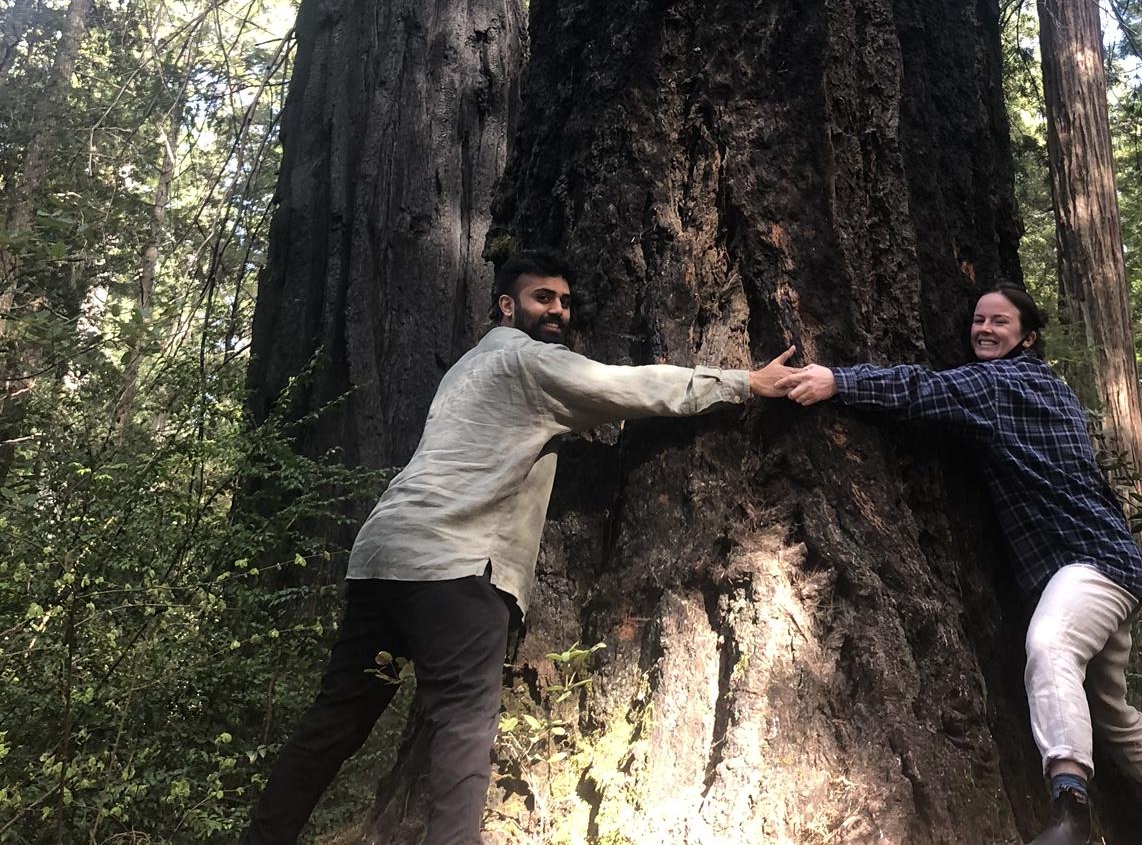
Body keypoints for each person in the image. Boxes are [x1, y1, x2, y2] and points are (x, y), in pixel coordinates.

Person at [241, 246, 796, 844]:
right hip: (453, 562)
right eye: (542, 298)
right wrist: (742, 382)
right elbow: (628, 387)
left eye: (564, 301)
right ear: (507, 305)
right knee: (462, 727)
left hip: (382, 555)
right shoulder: (531, 365)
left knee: (335, 722)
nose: (558, 310)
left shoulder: (466, 369)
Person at [783, 283, 1142, 845]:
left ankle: (1070, 813)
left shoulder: (1002, 384)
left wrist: (837, 380)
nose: (985, 330)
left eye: (1000, 322)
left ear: (1027, 337)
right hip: (1109, 566)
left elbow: (923, 390)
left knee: (1050, 647)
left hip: (1087, 563)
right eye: (978, 320)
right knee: (1109, 709)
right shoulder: (1050, 387)